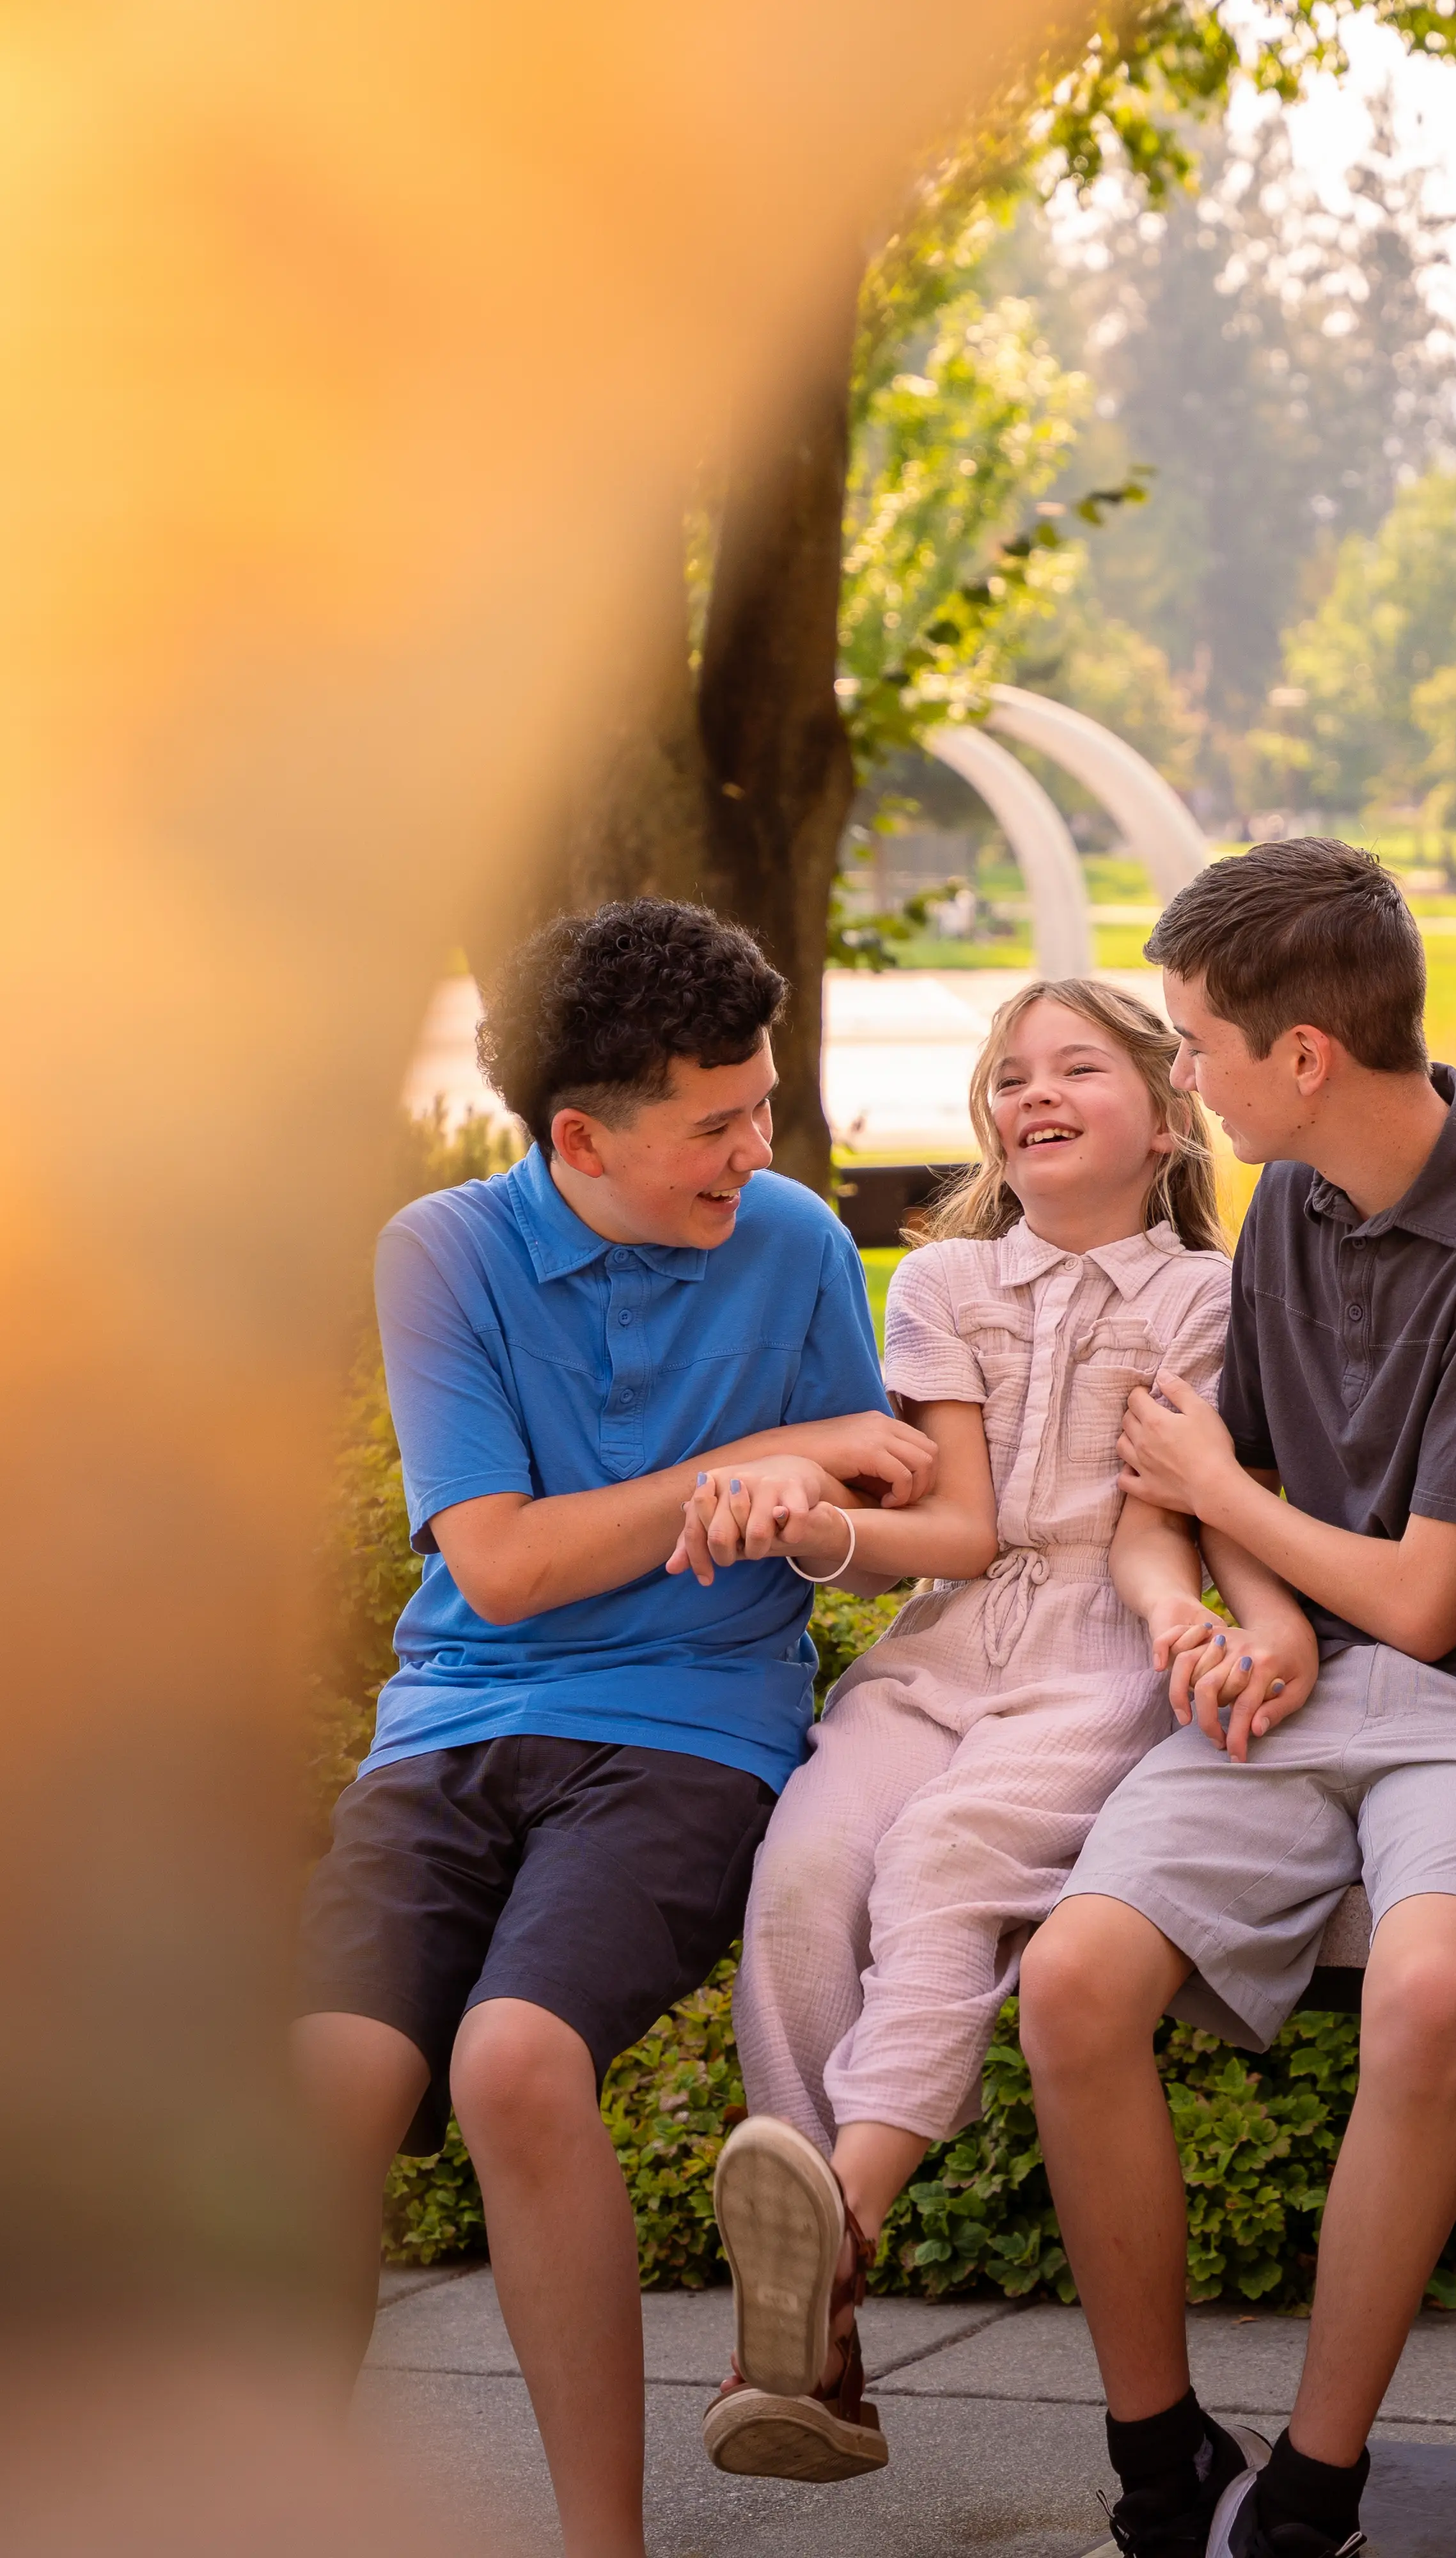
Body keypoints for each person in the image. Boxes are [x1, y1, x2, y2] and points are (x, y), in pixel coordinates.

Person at [1017, 838, 1456, 2558]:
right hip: (1307, 1685)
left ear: (1303, 1056)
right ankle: (1160, 2467)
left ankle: (1315, 2492)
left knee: (1431, 1992)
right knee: (1070, 1984)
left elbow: (1435, 1598)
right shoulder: (1290, 1194)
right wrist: (1265, 1610)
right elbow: (1249, 1485)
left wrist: (1231, 1514)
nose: (1181, 1077)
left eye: (1195, 1044)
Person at [291, 899, 929, 2558]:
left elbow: (874, 1483)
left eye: (763, 1107)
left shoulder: (789, 1245)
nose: (758, 1152)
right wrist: (764, 1455)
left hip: (689, 1728)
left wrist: (818, 1473)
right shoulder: (441, 1252)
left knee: (515, 2060)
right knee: (320, 2086)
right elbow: (499, 1566)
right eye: (714, 1125)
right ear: (580, 1136)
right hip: (455, 1722)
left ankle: (602, 2547)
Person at [684, 980, 1235, 2484]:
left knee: (942, 1858)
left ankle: (827, 2249)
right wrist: (814, 1533)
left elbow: (1151, 1529)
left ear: (1170, 1112)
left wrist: (1191, 1625)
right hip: (944, 1649)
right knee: (805, 1873)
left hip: (1100, 1655)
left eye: (1076, 1066)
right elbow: (961, 1529)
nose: (1032, 1091)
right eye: (1008, 1075)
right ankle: (822, 2338)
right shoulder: (943, 1284)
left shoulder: (1205, 1298)